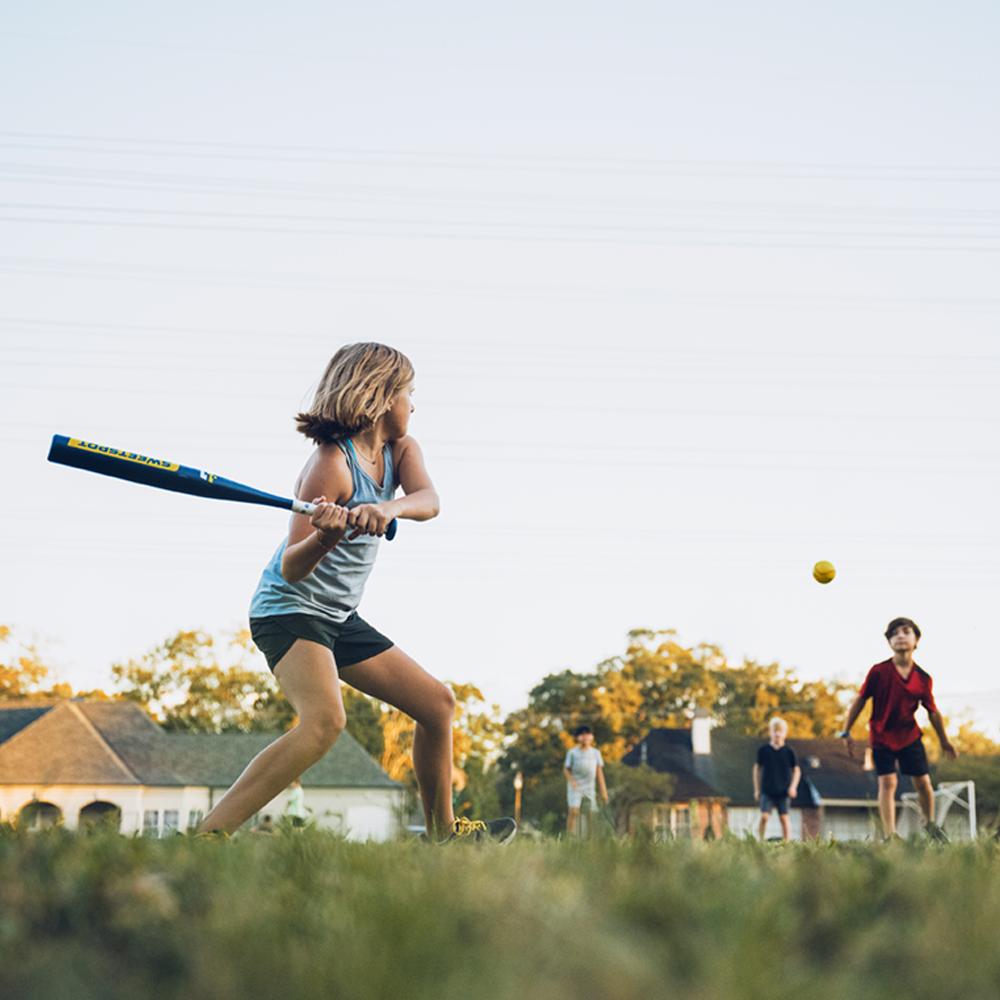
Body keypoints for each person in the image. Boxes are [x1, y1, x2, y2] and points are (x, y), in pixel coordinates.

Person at [197, 343, 515, 845]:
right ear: (383, 396)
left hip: (339, 616)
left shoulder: (401, 452)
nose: (413, 404)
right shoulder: (331, 465)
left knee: (437, 705)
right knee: (325, 721)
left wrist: (389, 511)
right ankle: (207, 837)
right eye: (409, 393)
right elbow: (292, 566)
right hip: (289, 611)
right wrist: (325, 533)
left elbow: (429, 501)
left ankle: (443, 835)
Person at [837, 617, 957, 840]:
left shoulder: (923, 678)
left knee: (923, 782)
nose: (900, 636)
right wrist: (846, 730)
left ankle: (930, 826)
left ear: (916, 640)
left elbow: (932, 711)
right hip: (881, 735)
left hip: (909, 735)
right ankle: (890, 835)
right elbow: (860, 700)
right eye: (894, 633)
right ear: (889, 642)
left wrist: (944, 740)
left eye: (906, 631)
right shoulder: (879, 672)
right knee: (888, 782)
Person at [753, 717, 800, 841]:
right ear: (770, 732)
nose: (777, 734)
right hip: (767, 790)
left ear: (785, 733)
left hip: (784, 791)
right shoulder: (763, 750)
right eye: (775, 731)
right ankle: (760, 841)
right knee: (764, 816)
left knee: (784, 818)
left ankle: (787, 843)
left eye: (780, 731)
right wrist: (757, 790)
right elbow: (756, 769)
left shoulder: (789, 752)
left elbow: (796, 771)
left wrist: (793, 787)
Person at [564, 725, 609, 836]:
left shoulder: (595, 753)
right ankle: (569, 837)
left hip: (589, 787)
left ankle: (590, 838)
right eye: (582, 734)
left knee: (590, 813)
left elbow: (599, 773)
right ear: (577, 737)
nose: (585, 737)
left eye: (587, 734)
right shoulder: (572, 753)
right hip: (575, 786)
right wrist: (572, 780)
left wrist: (604, 791)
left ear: (592, 736)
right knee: (574, 811)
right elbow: (566, 769)